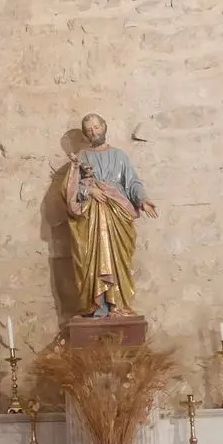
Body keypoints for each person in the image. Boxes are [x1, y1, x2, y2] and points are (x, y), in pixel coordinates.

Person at [62, 113, 158, 317]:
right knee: (93, 258)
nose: (94, 132)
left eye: (96, 127)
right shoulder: (81, 157)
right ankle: (96, 305)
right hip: (91, 218)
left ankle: (118, 304)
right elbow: (70, 189)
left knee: (117, 259)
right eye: (89, 129)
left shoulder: (119, 156)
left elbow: (132, 182)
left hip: (116, 214)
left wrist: (142, 199)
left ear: (104, 126)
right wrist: (89, 191)